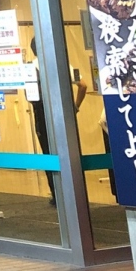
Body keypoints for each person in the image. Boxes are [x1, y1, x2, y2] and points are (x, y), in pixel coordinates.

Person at [28, 35, 86, 203]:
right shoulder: (63, 64)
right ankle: (76, 191)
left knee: (49, 153)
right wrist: (75, 106)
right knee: (69, 152)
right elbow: (83, 85)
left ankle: (57, 195)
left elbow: (30, 96)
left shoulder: (30, 67)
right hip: (65, 115)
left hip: (43, 116)